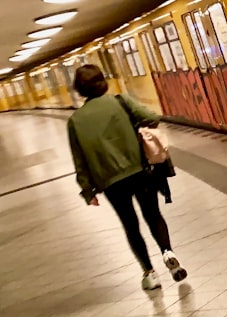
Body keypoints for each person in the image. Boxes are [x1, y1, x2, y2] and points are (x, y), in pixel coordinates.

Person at [68, 65, 186, 290]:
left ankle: (149, 274)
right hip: (140, 172)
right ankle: (167, 253)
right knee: (153, 215)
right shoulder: (120, 102)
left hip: (110, 183)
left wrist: (88, 191)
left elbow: (79, 160)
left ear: (79, 89)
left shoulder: (75, 121)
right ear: (103, 82)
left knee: (130, 225)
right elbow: (152, 118)